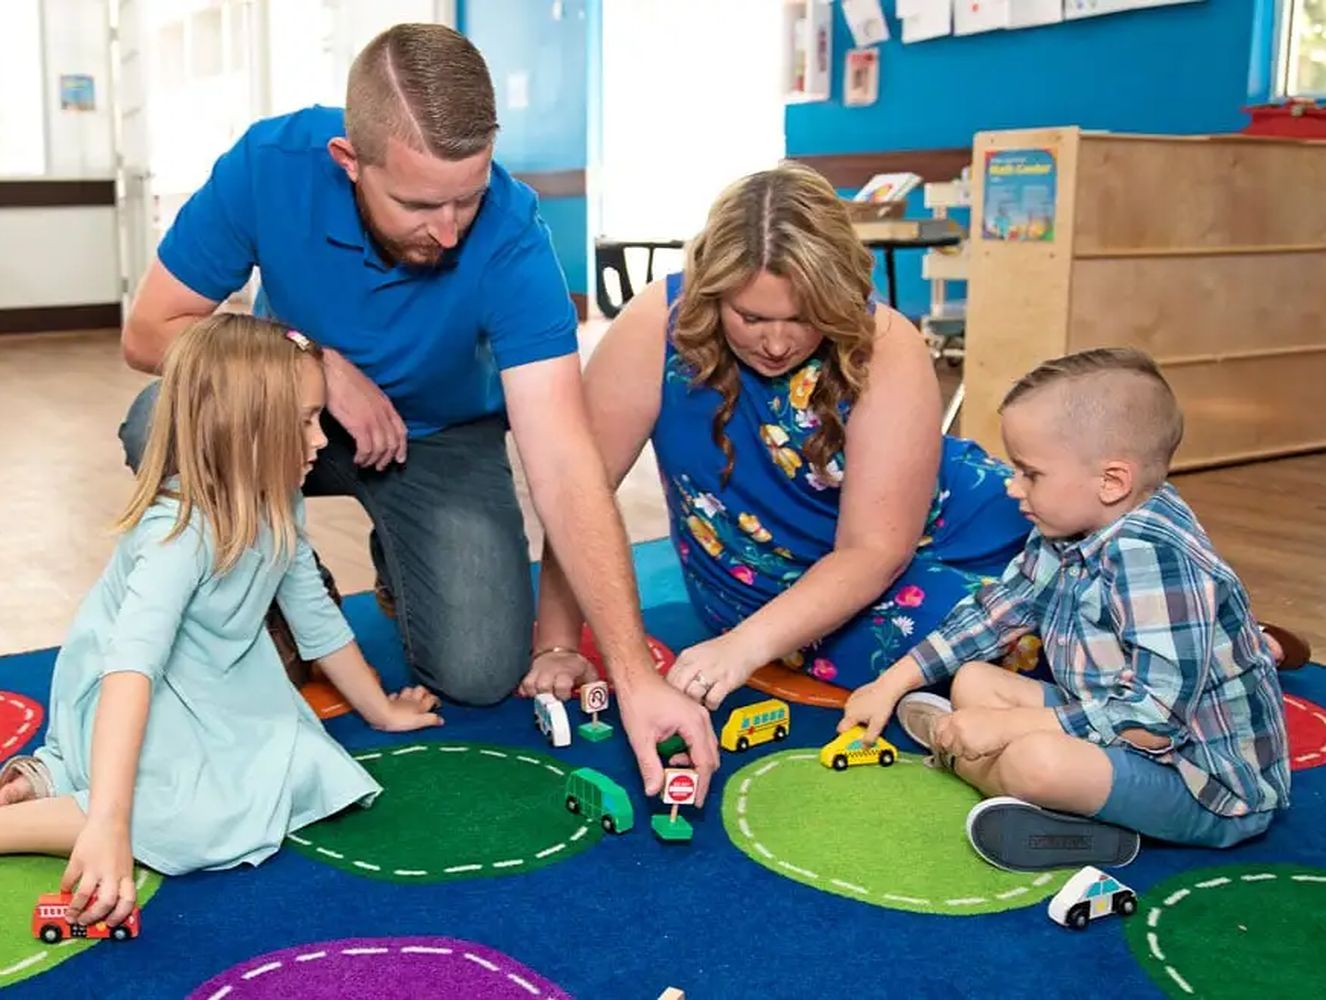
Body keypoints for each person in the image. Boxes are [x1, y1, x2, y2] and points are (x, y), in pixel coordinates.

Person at [117, 24, 716, 799]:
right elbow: (148, 332)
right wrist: (319, 366)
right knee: (158, 416)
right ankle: (277, 579)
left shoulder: (512, 235)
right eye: (419, 203)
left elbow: (567, 463)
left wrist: (634, 677)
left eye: (468, 197)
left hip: (440, 440)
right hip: (294, 414)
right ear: (349, 162)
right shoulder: (269, 167)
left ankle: (401, 561)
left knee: (479, 674)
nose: (448, 229)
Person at [521, 163, 1030, 709]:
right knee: (1007, 638)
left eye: (804, 317)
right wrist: (555, 641)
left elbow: (875, 547)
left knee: (1089, 557)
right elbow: (580, 487)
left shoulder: (885, 342)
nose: (778, 343)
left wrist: (737, 652)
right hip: (780, 587)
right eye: (752, 317)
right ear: (712, 293)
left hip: (934, 520)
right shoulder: (657, 323)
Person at [0, 317, 442, 929]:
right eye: (304, 423)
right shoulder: (177, 534)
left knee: (311, 768)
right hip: (133, 689)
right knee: (185, 824)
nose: (321, 441)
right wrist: (109, 823)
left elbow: (312, 613)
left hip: (221, 683)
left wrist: (379, 710)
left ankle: (62, 778)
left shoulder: (279, 496)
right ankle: (37, 811)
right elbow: (129, 668)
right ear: (240, 431)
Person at [841, 348, 1290, 872]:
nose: (1012, 487)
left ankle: (1022, 789)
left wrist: (1011, 730)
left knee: (1037, 760)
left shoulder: (1154, 559)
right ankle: (985, 757)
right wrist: (890, 683)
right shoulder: (1071, 528)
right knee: (973, 681)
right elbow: (995, 613)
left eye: (1030, 473)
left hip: (1203, 782)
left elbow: (1156, 720)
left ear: (1111, 481)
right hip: (1113, 718)